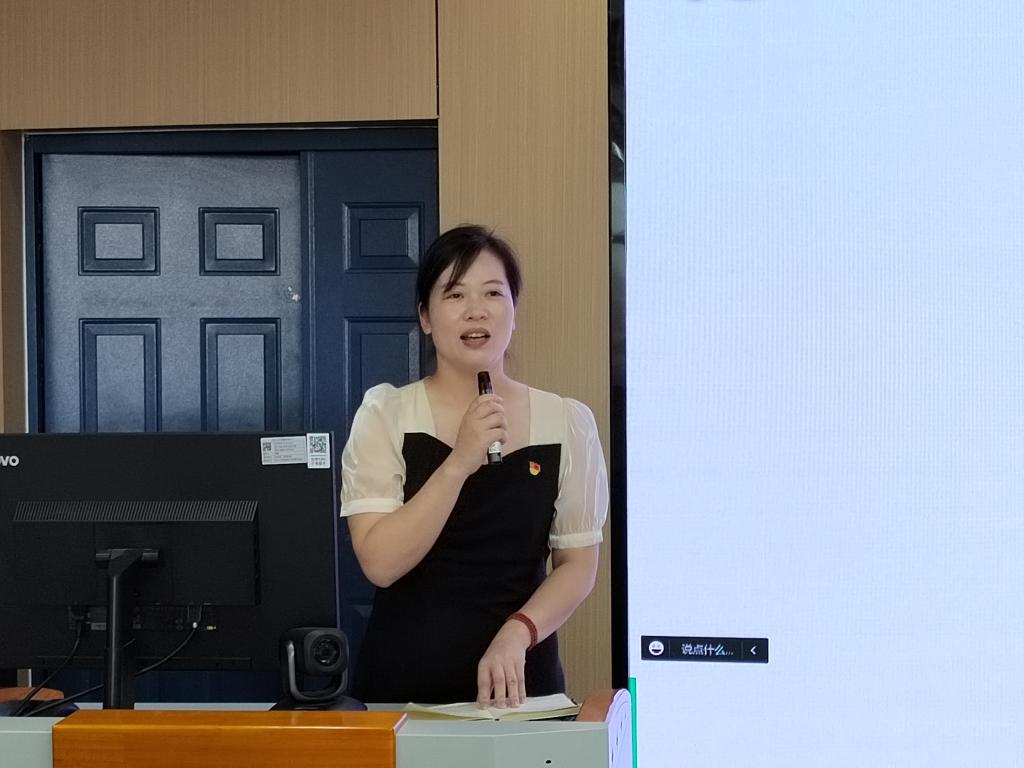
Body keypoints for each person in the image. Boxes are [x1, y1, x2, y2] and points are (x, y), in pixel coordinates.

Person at [340, 224, 608, 707]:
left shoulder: (566, 421)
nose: (476, 309)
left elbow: (578, 566)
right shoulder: (386, 413)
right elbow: (380, 564)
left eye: (493, 293)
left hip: (519, 689)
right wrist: (459, 461)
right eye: (455, 294)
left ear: (514, 312)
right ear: (425, 317)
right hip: (403, 689)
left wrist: (518, 632)